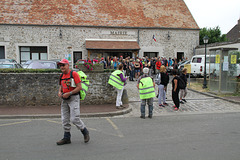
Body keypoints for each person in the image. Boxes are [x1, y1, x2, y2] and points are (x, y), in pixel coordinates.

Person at [57, 59, 90, 145]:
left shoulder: (74, 74)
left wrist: (69, 93)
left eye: (63, 65)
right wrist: (60, 92)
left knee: (75, 118)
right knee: (64, 119)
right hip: (64, 99)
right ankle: (67, 138)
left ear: (68, 65)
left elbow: (79, 87)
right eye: (60, 65)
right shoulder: (61, 75)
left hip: (73, 98)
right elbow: (61, 86)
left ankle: (85, 131)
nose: (62, 67)